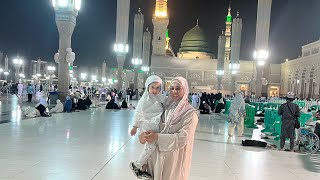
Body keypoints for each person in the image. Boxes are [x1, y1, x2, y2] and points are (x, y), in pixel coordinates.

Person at [139, 77, 199, 180]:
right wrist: (142, 134)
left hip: (174, 160)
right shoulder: (165, 107)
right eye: (172, 88)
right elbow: (151, 121)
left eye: (178, 88)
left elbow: (183, 137)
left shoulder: (190, 114)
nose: (174, 91)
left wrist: (158, 137)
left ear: (185, 90)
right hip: (157, 157)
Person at [129, 75, 164, 179]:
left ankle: (142, 168)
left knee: (149, 147)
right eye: (153, 87)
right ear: (148, 86)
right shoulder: (144, 100)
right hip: (147, 125)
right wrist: (135, 126)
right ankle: (136, 165)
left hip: (156, 125)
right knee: (150, 147)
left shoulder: (160, 97)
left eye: (158, 88)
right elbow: (138, 113)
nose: (155, 90)